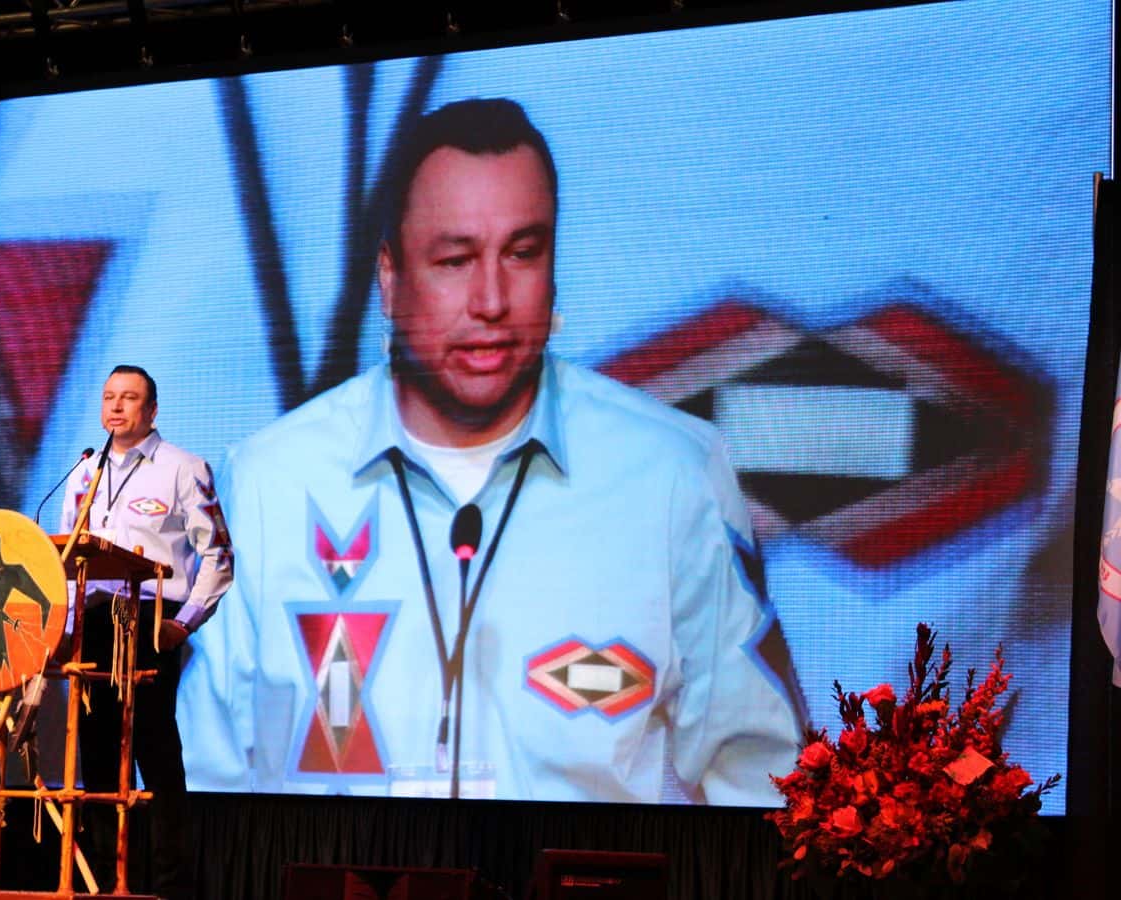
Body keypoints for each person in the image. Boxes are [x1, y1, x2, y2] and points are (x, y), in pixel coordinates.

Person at [180, 99, 805, 804]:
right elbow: (199, 789)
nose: (491, 300)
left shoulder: (671, 474)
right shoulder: (268, 484)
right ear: (389, 278)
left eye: (522, 253)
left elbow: (765, 786)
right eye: (455, 260)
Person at [59, 364, 233, 899]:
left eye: (129, 398)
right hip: (94, 622)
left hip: (150, 621)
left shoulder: (184, 469)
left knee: (154, 754)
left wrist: (184, 623)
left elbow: (219, 555)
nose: (116, 406)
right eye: (109, 396)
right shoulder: (84, 472)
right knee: (96, 756)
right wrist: (65, 628)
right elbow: (67, 558)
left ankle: (168, 886)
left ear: (151, 410)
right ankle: (103, 884)